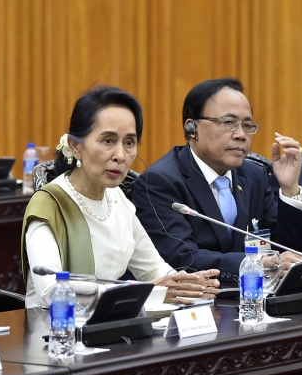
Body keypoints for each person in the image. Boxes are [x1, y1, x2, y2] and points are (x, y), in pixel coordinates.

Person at [22, 86, 220, 308]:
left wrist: (187, 285)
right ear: (75, 146)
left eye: (129, 143)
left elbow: (154, 269)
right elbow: (52, 292)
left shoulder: (117, 199)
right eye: (108, 141)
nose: (120, 156)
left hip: (109, 322)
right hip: (54, 331)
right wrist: (146, 293)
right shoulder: (48, 204)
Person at [132, 78, 302, 283]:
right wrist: (257, 264)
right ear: (192, 128)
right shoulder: (159, 181)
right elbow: (181, 259)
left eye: (247, 125)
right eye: (229, 123)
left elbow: (290, 255)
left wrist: (290, 189)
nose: (241, 135)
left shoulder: (254, 176)